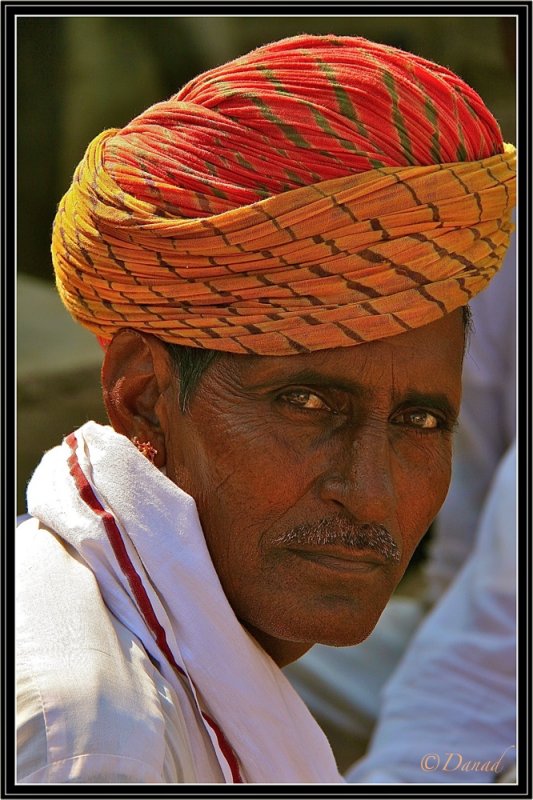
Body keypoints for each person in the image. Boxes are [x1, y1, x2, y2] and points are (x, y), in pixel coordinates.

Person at [16, 34, 516, 784]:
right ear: (142, 397)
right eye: (306, 403)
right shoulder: (99, 744)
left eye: (420, 421)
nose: (371, 491)